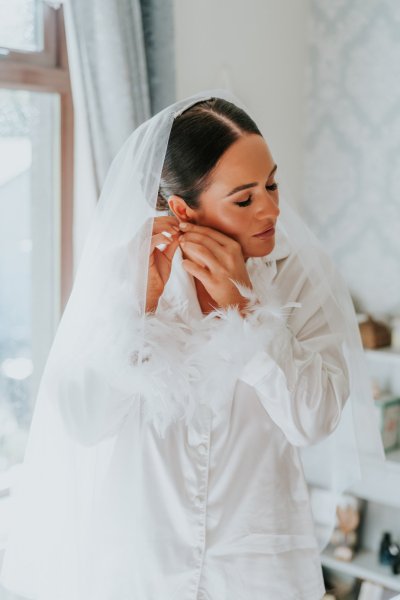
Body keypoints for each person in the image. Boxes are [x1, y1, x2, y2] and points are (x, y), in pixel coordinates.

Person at [0, 89, 385, 600]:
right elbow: (83, 420)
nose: (271, 209)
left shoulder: (300, 278)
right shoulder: (129, 271)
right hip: (141, 566)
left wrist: (247, 315)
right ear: (183, 208)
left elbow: (312, 421)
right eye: (244, 198)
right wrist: (134, 314)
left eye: (272, 184)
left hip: (259, 570)